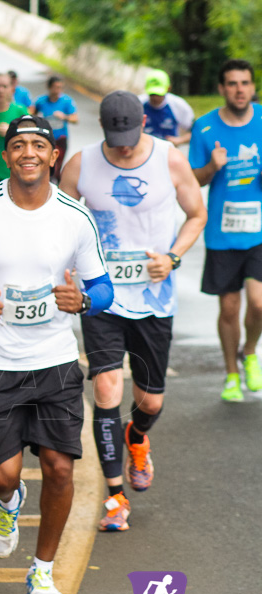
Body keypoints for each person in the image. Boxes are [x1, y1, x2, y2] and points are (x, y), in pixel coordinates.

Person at [0, 115, 114, 594]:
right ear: (6, 155)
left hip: (55, 362)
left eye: (39, 145)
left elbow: (103, 287)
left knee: (59, 468)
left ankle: (41, 572)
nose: (29, 152)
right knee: (2, 476)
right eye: (19, 145)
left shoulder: (75, 217)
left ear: (54, 156)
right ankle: (9, 504)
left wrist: (82, 302)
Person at [59, 91, 207, 532]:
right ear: (101, 126)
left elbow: (195, 215)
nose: (123, 147)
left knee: (150, 400)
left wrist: (174, 257)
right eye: (114, 137)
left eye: (130, 135)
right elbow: (59, 222)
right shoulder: (81, 165)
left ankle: (137, 437)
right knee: (106, 390)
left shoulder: (169, 159)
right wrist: (66, 269)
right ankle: (115, 497)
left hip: (154, 299)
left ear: (145, 121)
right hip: (101, 295)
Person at [189, 59, 262, 401]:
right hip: (222, 233)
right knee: (230, 309)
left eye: (245, 83)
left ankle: (250, 352)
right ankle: (231, 373)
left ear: (252, 87)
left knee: (259, 304)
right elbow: (193, 181)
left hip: (259, 232)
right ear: (221, 88)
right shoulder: (205, 128)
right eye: (232, 83)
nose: (239, 89)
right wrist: (211, 168)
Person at [34, 76, 79, 183]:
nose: (57, 90)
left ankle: (55, 186)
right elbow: (32, 114)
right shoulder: (41, 101)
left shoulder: (67, 101)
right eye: (55, 87)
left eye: (60, 88)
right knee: (44, 164)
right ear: (49, 87)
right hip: (45, 139)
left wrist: (64, 117)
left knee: (57, 166)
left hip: (60, 139)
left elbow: (75, 119)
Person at [140, 69, 195, 146]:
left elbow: (195, 131)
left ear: (168, 88)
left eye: (158, 94)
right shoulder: (138, 104)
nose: (155, 98)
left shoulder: (179, 105)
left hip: (169, 152)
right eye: (152, 94)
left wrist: (179, 140)